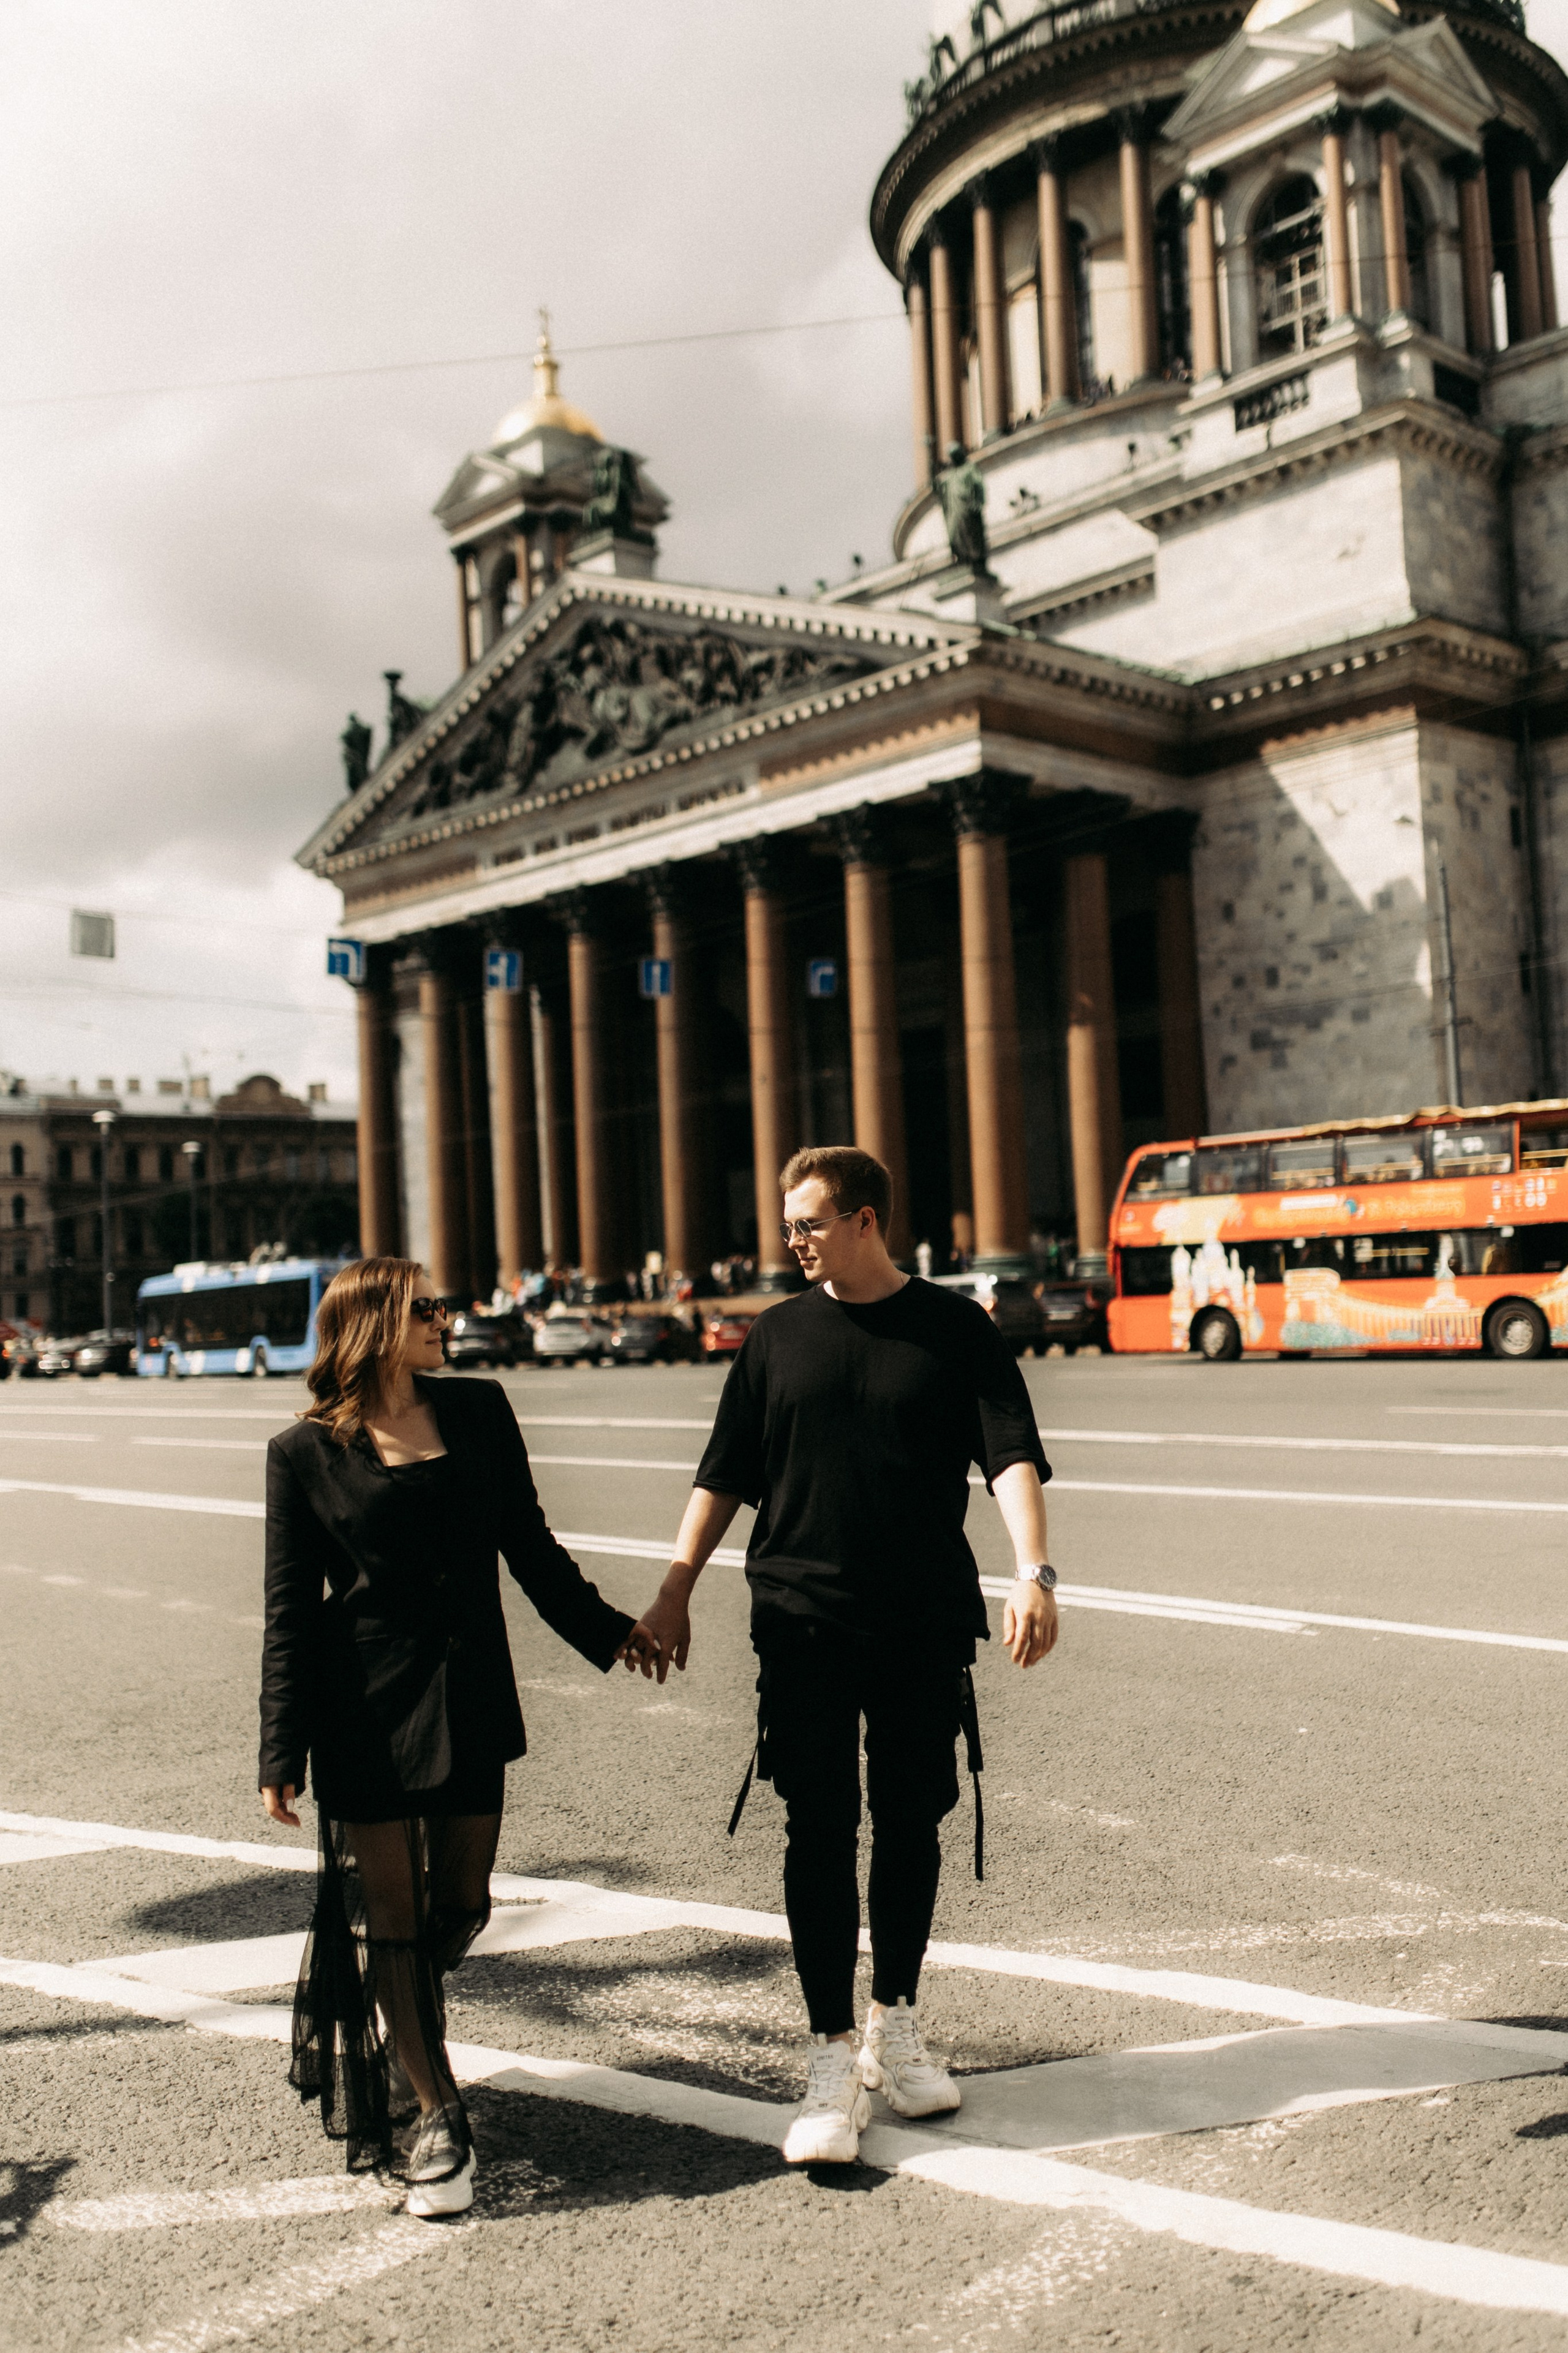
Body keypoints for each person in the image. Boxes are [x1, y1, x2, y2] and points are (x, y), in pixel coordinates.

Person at [627, 1146, 1057, 2165]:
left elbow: (1009, 1453)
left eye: (810, 1221)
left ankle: (892, 2025)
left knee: (912, 1819)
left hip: (920, 1616)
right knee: (817, 1826)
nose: (794, 1239)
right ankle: (828, 2055)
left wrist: (1033, 1570)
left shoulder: (955, 1328)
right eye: (789, 1223)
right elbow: (725, 1472)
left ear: (867, 1219)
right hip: (802, 1617)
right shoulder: (776, 1336)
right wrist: (675, 1587)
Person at [259, 1256, 652, 2216]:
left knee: (463, 1901)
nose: (447, 1318)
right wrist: (281, 1747)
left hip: (471, 1691)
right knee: (393, 1920)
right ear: (375, 1326)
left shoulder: (478, 1408)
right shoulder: (302, 1451)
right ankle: (435, 2110)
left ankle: (394, 2014)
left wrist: (612, 1631)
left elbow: (530, 1542)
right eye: (427, 1307)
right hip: (364, 1707)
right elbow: (289, 1611)